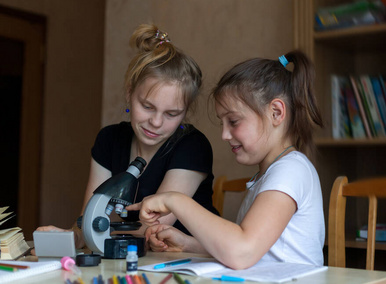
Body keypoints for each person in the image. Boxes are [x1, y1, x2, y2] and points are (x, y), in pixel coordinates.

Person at [127, 50, 325, 269]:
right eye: (223, 123)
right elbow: (259, 252)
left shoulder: (291, 170)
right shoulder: (269, 174)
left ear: (276, 113)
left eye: (234, 121)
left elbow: (242, 253)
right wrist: (189, 244)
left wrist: (174, 200)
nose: (224, 135)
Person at [36, 23, 218, 248]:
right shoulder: (109, 140)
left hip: (185, 260)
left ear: (185, 112)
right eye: (147, 107)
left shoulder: (193, 146)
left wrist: (88, 230)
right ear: (130, 93)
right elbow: (91, 216)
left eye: (172, 114)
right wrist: (73, 237)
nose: (156, 122)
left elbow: (154, 227)